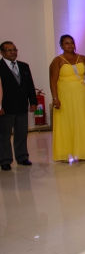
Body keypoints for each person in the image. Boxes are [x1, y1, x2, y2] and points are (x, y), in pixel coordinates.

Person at [49, 34, 85, 161]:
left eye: (72, 43)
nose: (70, 45)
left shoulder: (83, 58)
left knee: (82, 120)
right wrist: (55, 98)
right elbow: (53, 81)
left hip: (81, 96)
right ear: (61, 45)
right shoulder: (57, 60)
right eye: (66, 43)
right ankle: (66, 153)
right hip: (65, 96)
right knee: (67, 122)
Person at [0, 41, 37, 170]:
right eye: (9, 50)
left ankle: (22, 157)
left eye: (14, 50)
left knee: (21, 133)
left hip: (22, 106)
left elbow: (30, 86)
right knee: (4, 135)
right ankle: (5, 160)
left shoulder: (24, 66)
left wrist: (33, 102)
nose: (13, 52)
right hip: (5, 108)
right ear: (2, 53)